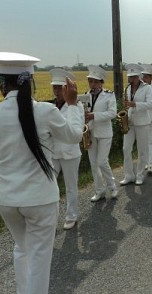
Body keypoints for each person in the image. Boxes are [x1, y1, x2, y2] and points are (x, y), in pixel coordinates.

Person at [0, 52, 83, 294]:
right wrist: (72, 106)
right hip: (40, 199)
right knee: (39, 258)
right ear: (31, 82)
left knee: (22, 249)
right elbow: (74, 136)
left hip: (7, 199)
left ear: (1, 84)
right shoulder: (46, 111)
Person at [49, 68, 83, 230]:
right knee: (49, 185)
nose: (56, 91)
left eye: (59, 87)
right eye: (54, 87)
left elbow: (76, 127)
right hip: (54, 152)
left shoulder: (77, 106)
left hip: (70, 152)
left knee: (71, 186)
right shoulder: (50, 106)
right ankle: (50, 218)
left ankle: (71, 215)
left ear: (66, 89)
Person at [84, 65, 119, 202]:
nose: (92, 84)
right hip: (91, 133)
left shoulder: (109, 95)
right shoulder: (85, 96)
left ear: (101, 82)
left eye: (95, 81)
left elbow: (112, 113)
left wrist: (94, 115)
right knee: (93, 164)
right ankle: (99, 191)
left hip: (105, 133)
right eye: (90, 81)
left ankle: (112, 187)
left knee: (102, 161)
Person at [120, 63, 152, 186]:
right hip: (129, 122)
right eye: (130, 77)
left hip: (142, 122)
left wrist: (135, 105)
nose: (131, 79)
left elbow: (151, 104)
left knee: (142, 151)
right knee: (126, 149)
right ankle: (129, 175)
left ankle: (140, 175)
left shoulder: (147, 88)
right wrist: (126, 108)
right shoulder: (128, 88)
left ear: (139, 76)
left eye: (134, 77)